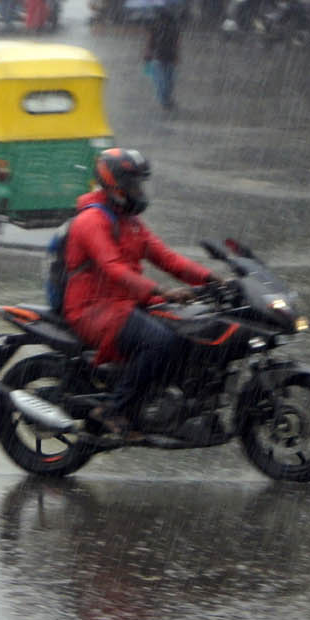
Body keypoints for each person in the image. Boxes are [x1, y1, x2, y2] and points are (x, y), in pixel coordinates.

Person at [58, 148, 216, 439]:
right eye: (133, 183)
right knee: (159, 341)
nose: (138, 190)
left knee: (187, 329)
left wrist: (213, 280)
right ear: (114, 184)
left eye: (140, 183)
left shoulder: (128, 222)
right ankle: (113, 409)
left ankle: (157, 401)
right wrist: (161, 291)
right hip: (93, 309)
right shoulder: (92, 221)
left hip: (123, 304)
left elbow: (168, 258)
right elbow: (114, 268)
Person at [141, 0, 183, 110]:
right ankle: (166, 100)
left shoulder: (155, 26)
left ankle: (165, 100)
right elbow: (177, 42)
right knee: (168, 81)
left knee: (162, 81)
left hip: (159, 56)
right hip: (168, 56)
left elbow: (150, 42)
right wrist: (177, 55)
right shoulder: (173, 26)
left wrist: (147, 54)